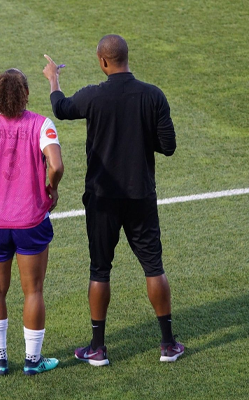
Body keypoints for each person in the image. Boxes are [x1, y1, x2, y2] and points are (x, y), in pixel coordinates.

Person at [42, 34, 184, 366]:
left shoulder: (93, 95)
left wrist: (53, 79)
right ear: (126, 58)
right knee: (153, 267)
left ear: (103, 61)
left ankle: (98, 348)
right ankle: (167, 344)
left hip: (102, 198)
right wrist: (139, 136)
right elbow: (168, 146)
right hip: (140, 196)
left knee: (100, 269)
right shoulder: (153, 95)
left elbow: (61, 109)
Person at [0, 68, 64, 376]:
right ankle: (33, 361)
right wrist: (52, 187)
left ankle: (0, 360)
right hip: (31, 221)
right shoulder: (42, 124)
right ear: (26, 94)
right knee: (33, 291)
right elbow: (56, 165)